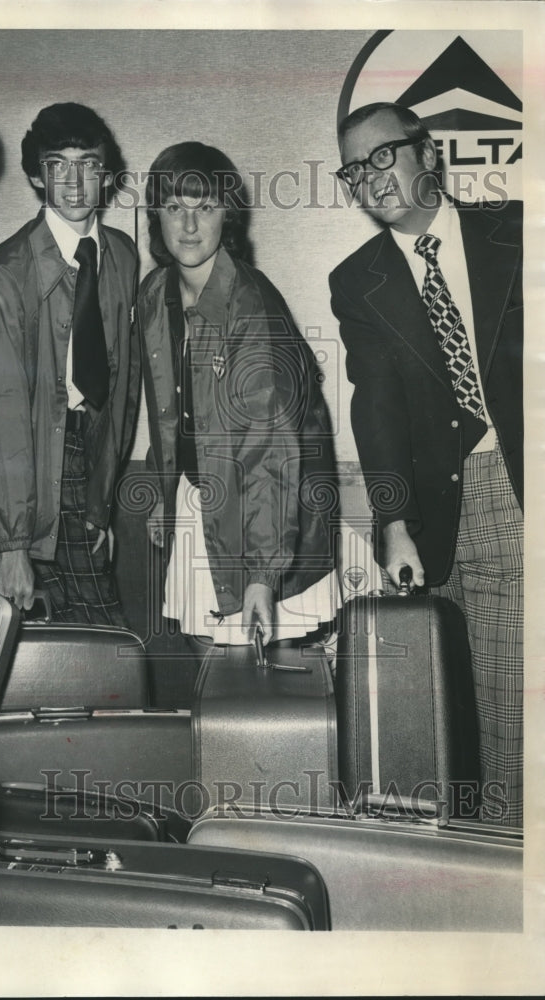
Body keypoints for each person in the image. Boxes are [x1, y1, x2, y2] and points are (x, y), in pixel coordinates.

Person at [329, 102, 523, 826]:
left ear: (427, 153)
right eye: (354, 170)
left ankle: (508, 877)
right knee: (461, 709)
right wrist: (392, 520)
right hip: (436, 513)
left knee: (510, 715)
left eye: (382, 158)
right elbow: (372, 407)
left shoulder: (516, 231)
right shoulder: (359, 280)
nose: (368, 180)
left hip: (511, 483)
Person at [0, 103, 139, 626]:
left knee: (102, 640)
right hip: (5, 481)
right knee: (8, 655)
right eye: (57, 165)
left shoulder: (120, 255)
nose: (74, 182)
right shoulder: (7, 275)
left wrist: (100, 503)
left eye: (88, 164)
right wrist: (12, 544)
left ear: (107, 174)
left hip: (77, 462)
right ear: (35, 175)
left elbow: (117, 394)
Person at [141, 142, 340, 651]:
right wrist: (164, 495)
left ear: (226, 214)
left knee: (258, 692)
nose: (188, 226)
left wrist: (261, 574)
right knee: (209, 665)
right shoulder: (153, 292)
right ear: (155, 214)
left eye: (204, 207)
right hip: (199, 495)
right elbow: (171, 410)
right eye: (174, 208)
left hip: (268, 516)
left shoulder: (251, 305)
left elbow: (268, 448)